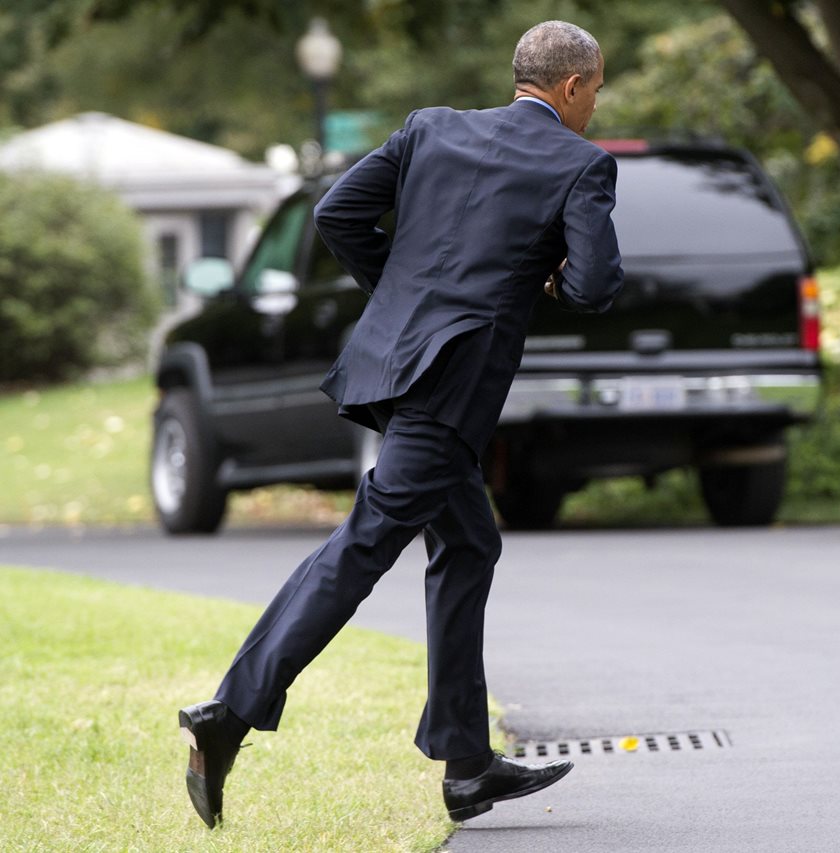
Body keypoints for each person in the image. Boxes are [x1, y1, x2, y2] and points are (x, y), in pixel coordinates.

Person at [177, 20, 623, 829]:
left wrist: (405, 296)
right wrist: (549, 280)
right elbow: (595, 285)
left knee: (468, 542)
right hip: (450, 391)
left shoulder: (432, 128)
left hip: (389, 362)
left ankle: (466, 763)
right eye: (595, 89)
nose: (594, 105)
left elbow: (337, 212)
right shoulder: (580, 163)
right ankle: (230, 711)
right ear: (571, 87)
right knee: (365, 542)